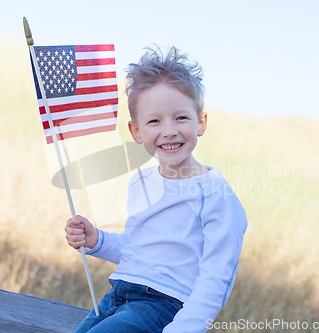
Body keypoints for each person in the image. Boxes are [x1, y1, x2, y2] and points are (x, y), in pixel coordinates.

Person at [65, 45, 247, 333]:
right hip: (116, 296)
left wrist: (182, 329)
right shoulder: (141, 182)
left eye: (181, 118)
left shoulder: (215, 195)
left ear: (200, 122)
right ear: (136, 131)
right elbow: (138, 250)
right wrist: (97, 240)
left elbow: (216, 279)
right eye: (154, 121)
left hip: (162, 306)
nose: (169, 130)